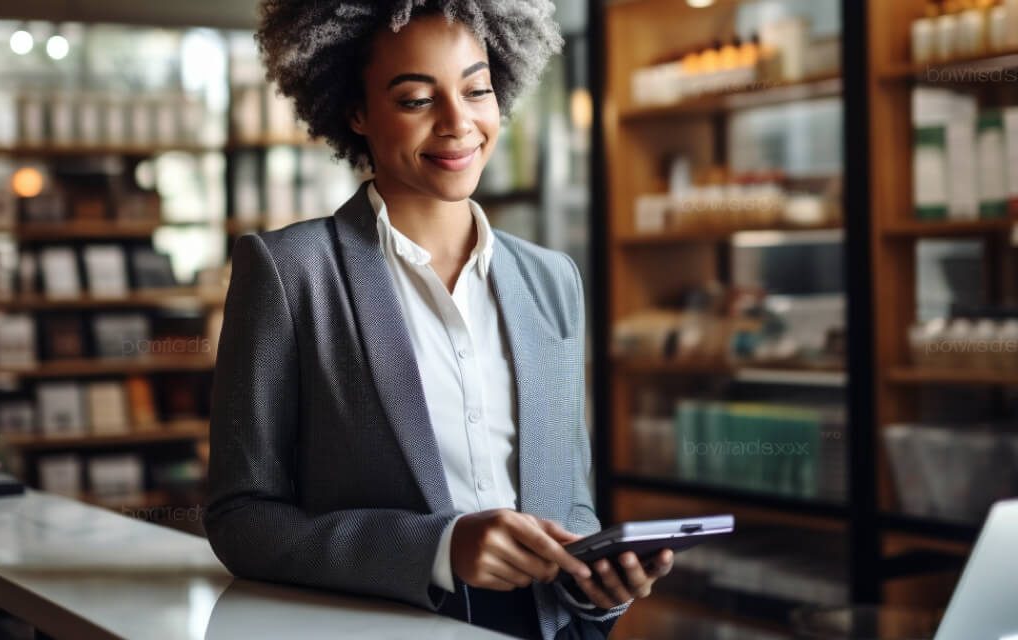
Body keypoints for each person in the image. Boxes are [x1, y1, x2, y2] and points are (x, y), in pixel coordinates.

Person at [205, 3, 673, 638]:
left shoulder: (551, 279)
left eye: (476, 90)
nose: (459, 122)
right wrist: (439, 547)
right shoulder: (291, 272)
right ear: (357, 112)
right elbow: (243, 518)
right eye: (417, 99)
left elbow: (569, 501)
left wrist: (597, 584)